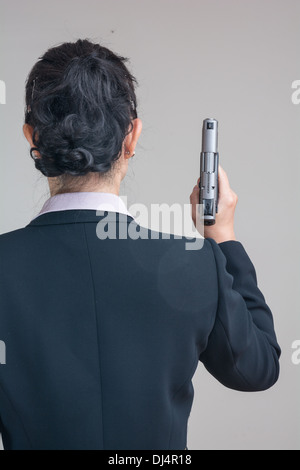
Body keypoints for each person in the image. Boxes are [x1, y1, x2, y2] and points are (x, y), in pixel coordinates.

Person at [0, 39, 280, 450]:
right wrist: (222, 237)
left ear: (32, 138)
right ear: (131, 136)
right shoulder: (196, 264)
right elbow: (258, 369)